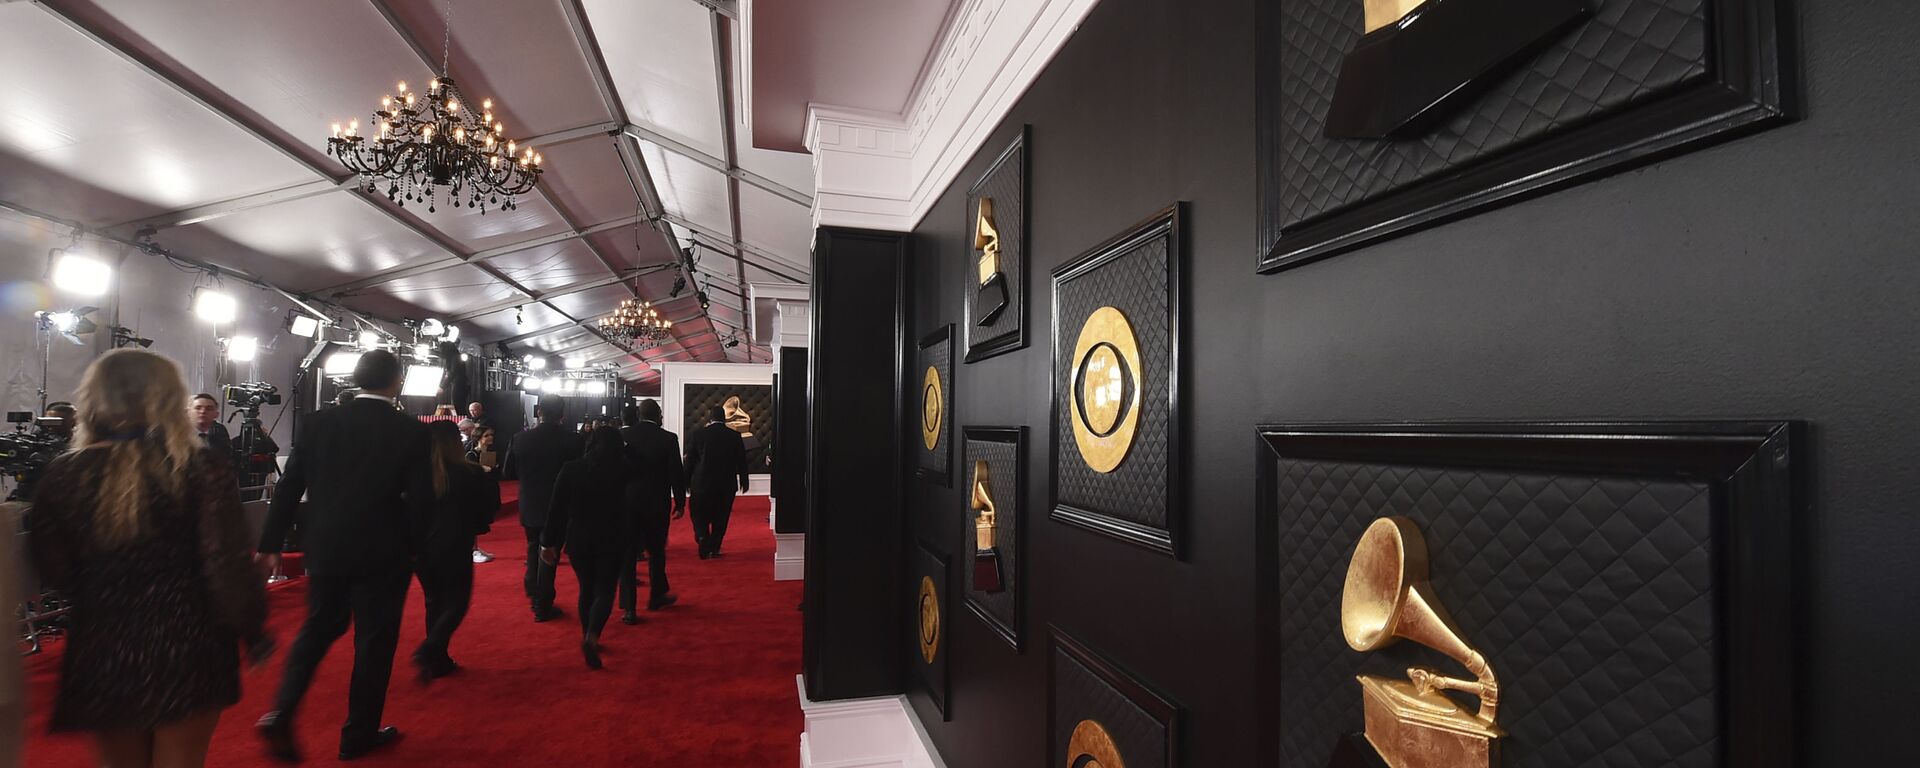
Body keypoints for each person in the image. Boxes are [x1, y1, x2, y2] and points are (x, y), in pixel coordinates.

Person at [27, 349, 271, 768]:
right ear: (168, 398)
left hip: (102, 644)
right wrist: (253, 628)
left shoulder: (62, 474)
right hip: (189, 641)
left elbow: (54, 569)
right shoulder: (200, 467)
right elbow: (223, 564)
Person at [255, 350, 432, 762]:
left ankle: (283, 709)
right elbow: (422, 501)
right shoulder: (410, 431)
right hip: (384, 551)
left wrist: (268, 544)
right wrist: (415, 548)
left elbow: (288, 487)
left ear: (355, 379)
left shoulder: (318, 424)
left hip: (326, 545)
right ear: (398, 381)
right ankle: (358, 734)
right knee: (374, 641)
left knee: (317, 628)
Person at [412, 421, 499, 684]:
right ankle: (431, 649)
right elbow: (488, 510)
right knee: (457, 602)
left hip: (420, 548)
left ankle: (437, 658)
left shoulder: (417, 475)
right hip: (454, 546)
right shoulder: (471, 474)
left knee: (433, 601)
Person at [541, 427, 633, 669]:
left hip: (579, 538)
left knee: (587, 589)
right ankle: (592, 636)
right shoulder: (624, 469)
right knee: (605, 591)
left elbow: (556, 509)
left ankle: (586, 635)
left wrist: (548, 541)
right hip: (613, 537)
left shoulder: (572, 469)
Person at [501, 393, 582, 622]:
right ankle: (542, 604)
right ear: (562, 414)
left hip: (530, 503)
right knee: (550, 553)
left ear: (539, 412)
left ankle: (533, 588)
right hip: (559, 505)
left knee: (533, 545)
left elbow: (508, 472)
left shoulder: (519, 439)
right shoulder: (574, 441)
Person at [617, 400, 686, 622]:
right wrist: (681, 502)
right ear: (659, 415)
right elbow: (676, 472)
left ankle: (629, 608)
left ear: (638, 414)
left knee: (627, 555)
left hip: (627, 503)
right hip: (657, 503)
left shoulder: (623, 436)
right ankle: (656, 596)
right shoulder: (668, 438)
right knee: (657, 551)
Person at [683, 404, 749, 559]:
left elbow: (690, 461)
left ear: (710, 418)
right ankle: (715, 546)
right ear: (724, 418)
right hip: (725, 485)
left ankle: (701, 535)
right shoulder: (734, 436)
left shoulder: (698, 434)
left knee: (699, 514)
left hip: (701, 484)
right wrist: (744, 481)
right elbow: (742, 461)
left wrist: (685, 481)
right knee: (721, 516)